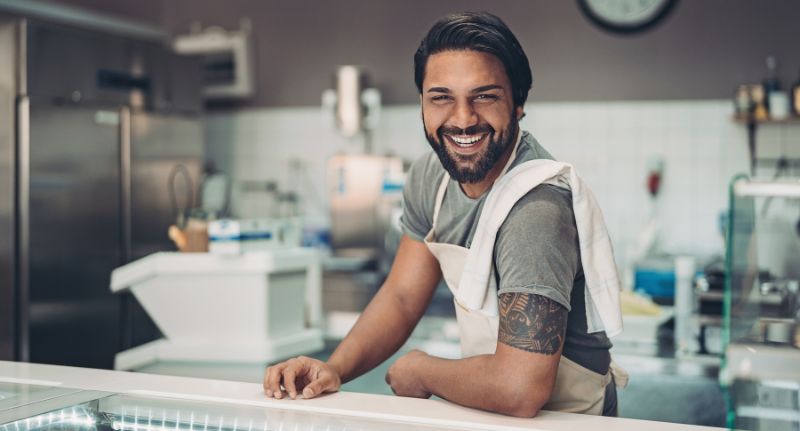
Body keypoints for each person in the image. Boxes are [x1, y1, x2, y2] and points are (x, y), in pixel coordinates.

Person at [264, 11, 625, 418]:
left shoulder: (536, 209)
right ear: (421, 103)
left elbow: (519, 388)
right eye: (441, 97)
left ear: (519, 103)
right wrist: (334, 368)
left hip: (566, 419)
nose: (463, 118)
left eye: (485, 96)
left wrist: (423, 370)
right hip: (491, 408)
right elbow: (402, 297)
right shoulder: (431, 177)